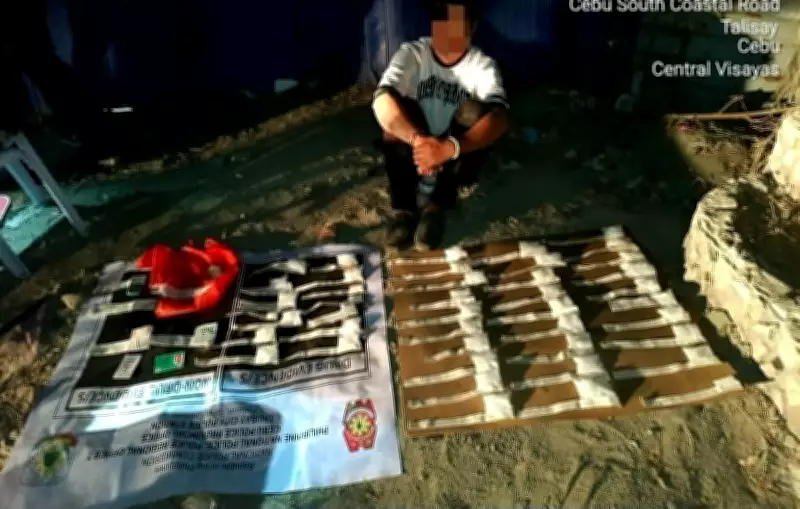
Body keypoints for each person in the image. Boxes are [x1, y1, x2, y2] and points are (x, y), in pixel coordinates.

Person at [371, 0, 509, 250]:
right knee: (394, 110)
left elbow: (500, 119)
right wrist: (418, 140)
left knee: (476, 112)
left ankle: (436, 207)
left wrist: (450, 148)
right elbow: (381, 102)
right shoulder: (413, 53)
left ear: (472, 28)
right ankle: (404, 210)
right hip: (415, 151)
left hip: (455, 158)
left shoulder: (482, 65)